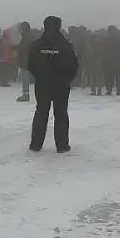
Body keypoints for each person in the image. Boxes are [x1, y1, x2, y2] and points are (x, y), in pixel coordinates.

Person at [27, 16, 79, 153]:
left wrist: (40, 76)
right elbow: (73, 65)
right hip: (61, 85)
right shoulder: (65, 45)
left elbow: (30, 64)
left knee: (41, 112)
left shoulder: (37, 44)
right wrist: (67, 79)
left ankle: (36, 144)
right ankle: (62, 145)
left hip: (43, 84)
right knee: (61, 114)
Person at [14, 21, 34, 102]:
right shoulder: (28, 35)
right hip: (27, 59)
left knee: (25, 77)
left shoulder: (26, 36)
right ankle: (26, 93)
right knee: (26, 77)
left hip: (25, 60)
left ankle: (25, 94)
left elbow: (24, 48)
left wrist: (15, 47)